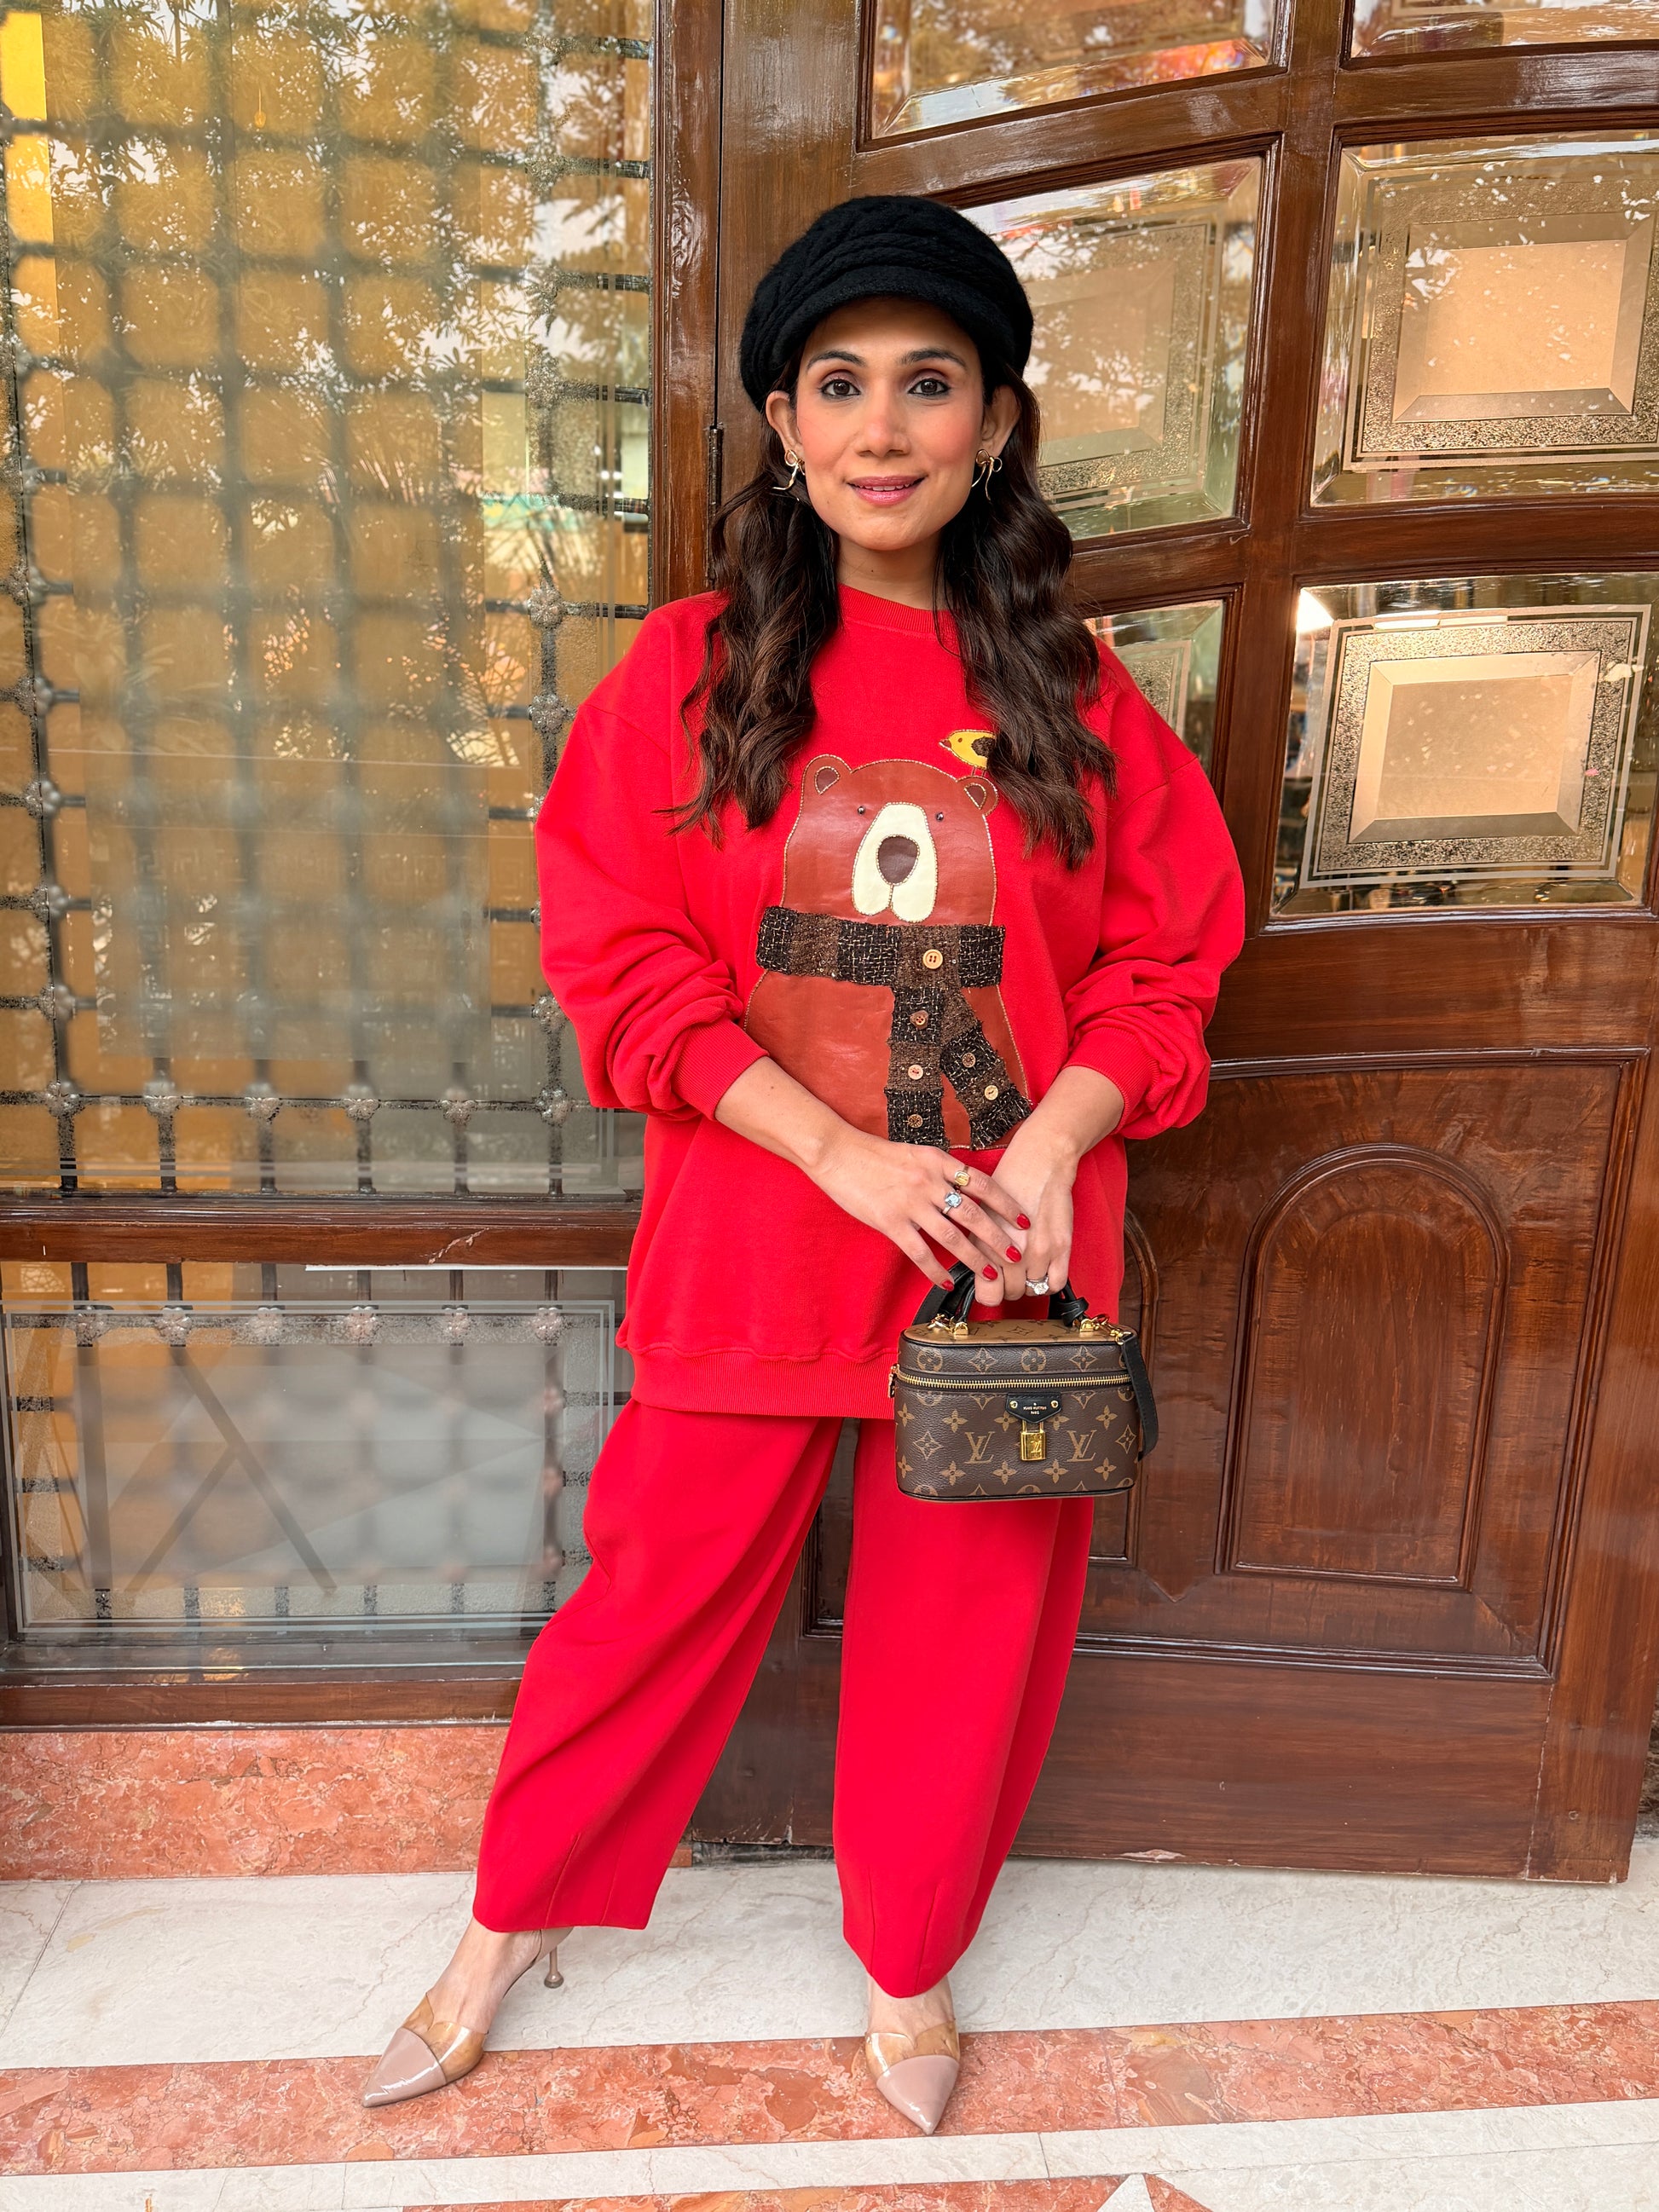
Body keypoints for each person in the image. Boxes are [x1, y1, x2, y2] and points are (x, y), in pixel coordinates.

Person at [365, 193, 1245, 2134]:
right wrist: (840, 1153)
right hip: (759, 1238)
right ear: (782, 421)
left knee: (965, 1643)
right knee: (647, 1604)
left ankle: (907, 1960)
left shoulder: (1077, 692)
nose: (881, 426)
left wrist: (1053, 1143)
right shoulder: (693, 670)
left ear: (992, 423)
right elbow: (624, 966)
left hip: (1001, 1266)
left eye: (929, 383)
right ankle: (502, 1929)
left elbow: (1162, 968)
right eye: (837, 385)